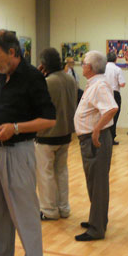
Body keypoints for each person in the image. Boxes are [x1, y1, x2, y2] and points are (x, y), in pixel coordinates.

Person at [0, 30, 56, 256]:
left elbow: (49, 119)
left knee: (24, 210)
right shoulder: (1, 75)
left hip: (19, 151)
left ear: (12, 52)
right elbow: (3, 108)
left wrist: (16, 127)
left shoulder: (33, 78)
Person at [74, 50, 118, 241]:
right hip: (90, 141)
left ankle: (96, 228)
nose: (81, 65)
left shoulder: (99, 85)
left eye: (83, 63)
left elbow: (111, 108)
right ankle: (97, 219)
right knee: (94, 182)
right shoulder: (95, 83)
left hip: (95, 141)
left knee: (98, 183)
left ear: (89, 67)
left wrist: (97, 130)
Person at [35, 48, 78, 221]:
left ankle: (48, 210)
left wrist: (38, 77)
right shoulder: (70, 79)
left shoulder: (47, 82)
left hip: (47, 134)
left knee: (45, 173)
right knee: (61, 171)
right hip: (66, 132)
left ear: (44, 64)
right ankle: (63, 207)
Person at [104, 52, 126, 145]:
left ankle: (103, 138)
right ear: (115, 59)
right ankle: (111, 138)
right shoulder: (117, 69)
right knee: (114, 116)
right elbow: (122, 84)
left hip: (104, 93)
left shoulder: (103, 69)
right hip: (114, 93)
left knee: (104, 115)